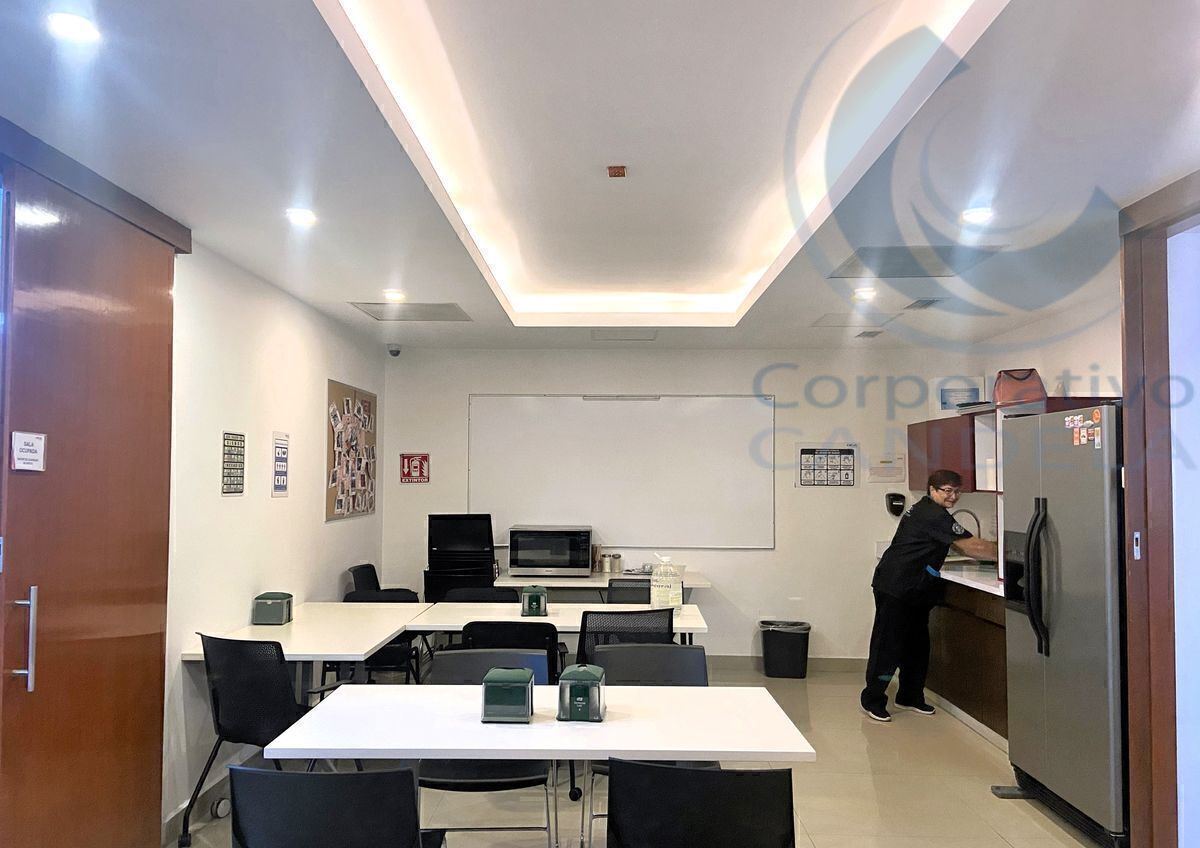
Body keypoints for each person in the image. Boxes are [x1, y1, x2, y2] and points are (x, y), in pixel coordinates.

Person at [860, 469, 998, 722]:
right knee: (888, 645)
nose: (953, 496)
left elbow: (959, 544)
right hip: (896, 586)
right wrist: (1010, 552)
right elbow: (972, 546)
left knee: (917, 645)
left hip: (915, 587)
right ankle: (873, 699)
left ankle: (910, 696)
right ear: (932, 490)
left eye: (957, 491)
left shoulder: (929, 510)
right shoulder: (932, 514)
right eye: (947, 491)